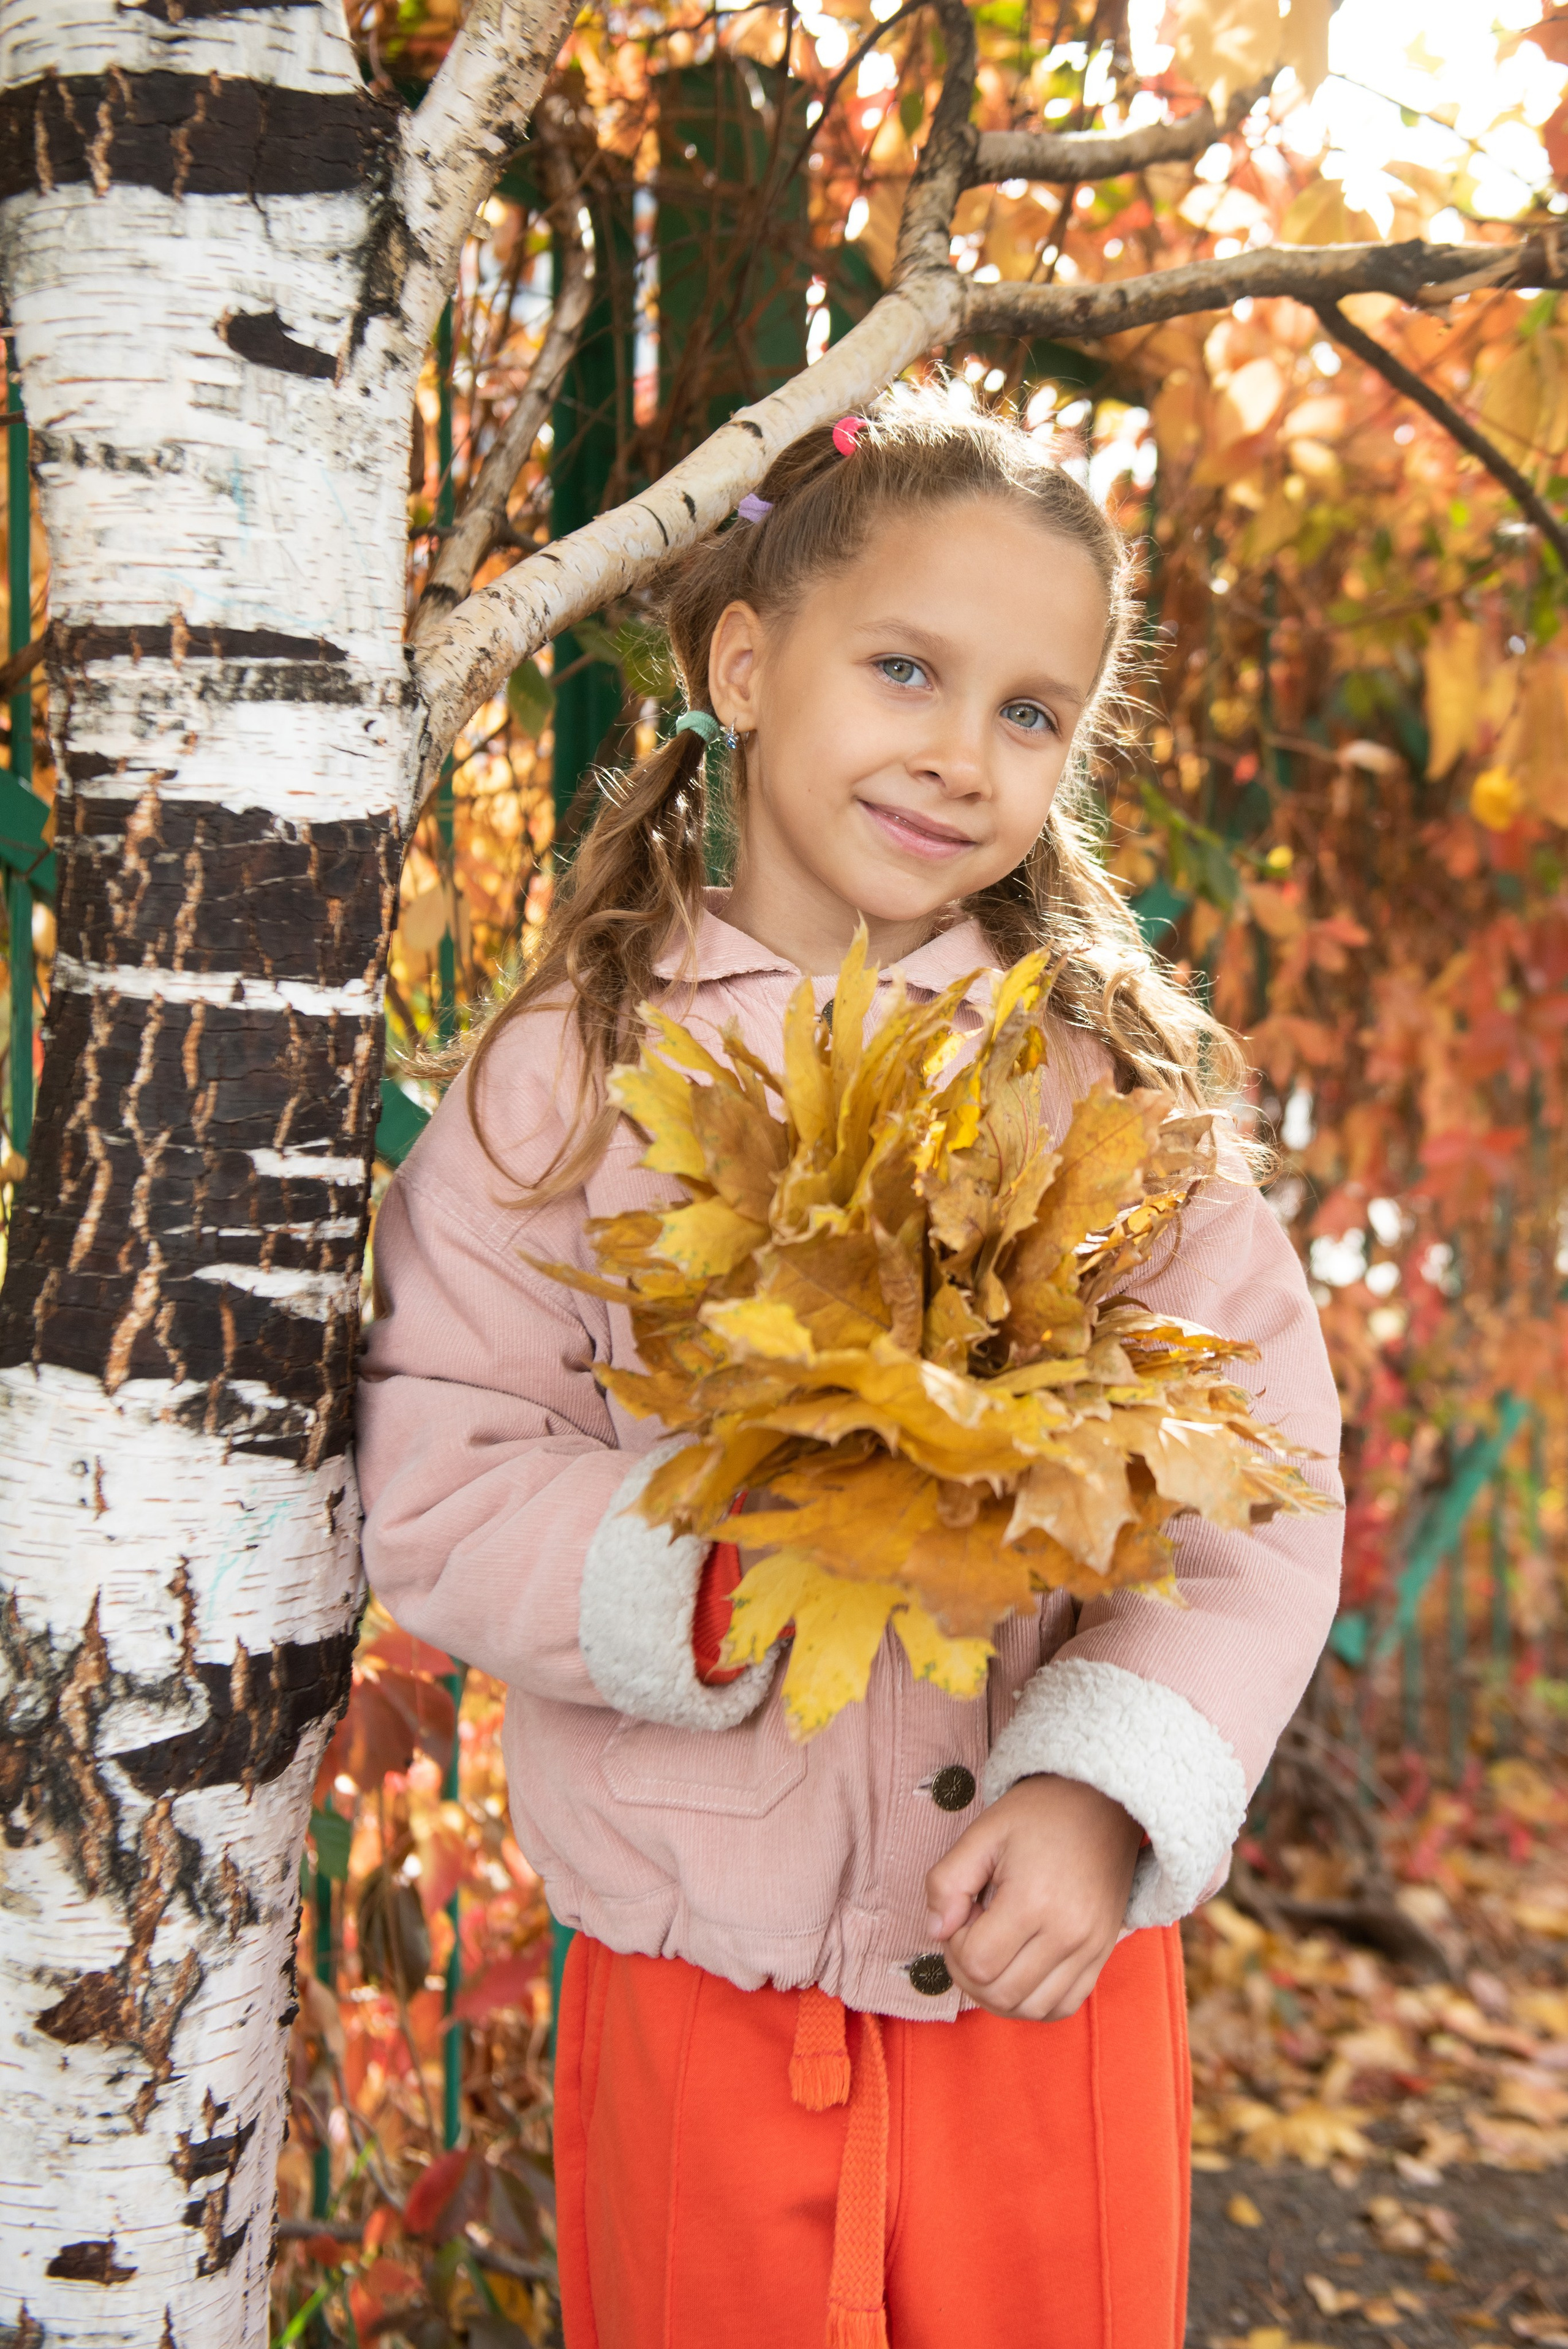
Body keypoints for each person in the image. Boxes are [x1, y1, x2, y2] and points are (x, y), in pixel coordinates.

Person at [356, 389, 1343, 2349]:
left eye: (1030, 711)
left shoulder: (1098, 1086)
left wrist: (1104, 1789)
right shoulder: (572, 1081)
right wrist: (708, 1565)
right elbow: (447, 1461)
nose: (963, 753)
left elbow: (1261, 1483)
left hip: (1037, 1990)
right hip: (700, 1982)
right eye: (908, 669)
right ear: (744, 665)